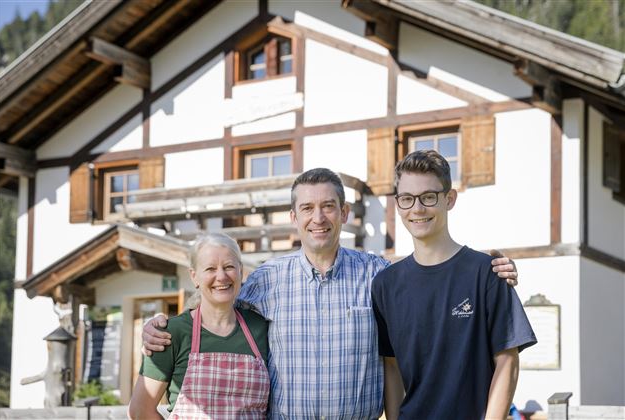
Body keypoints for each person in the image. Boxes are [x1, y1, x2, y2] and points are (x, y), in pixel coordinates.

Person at [143, 168, 519, 419]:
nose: (317, 218)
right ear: (294, 217)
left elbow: (428, 273)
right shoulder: (266, 281)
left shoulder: (379, 275)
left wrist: (484, 263)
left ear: (345, 212)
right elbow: (215, 298)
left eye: (327, 207)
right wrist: (160, 324)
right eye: (307, 208)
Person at [372, 151, 537, 420]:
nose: (417, 209)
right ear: (397, 204)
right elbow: (392, 367)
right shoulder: (385, 285)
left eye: (428, 197)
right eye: (406, 199)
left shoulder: (487, 272)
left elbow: (507, 362)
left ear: (449, 199)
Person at [128, 232, 269, 419]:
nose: (221, 276)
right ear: (194, 277)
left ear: (240, 271)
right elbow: (139, 411)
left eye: (228, 267)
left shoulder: (261, 328)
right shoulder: (170, 334)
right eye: (210, 269)